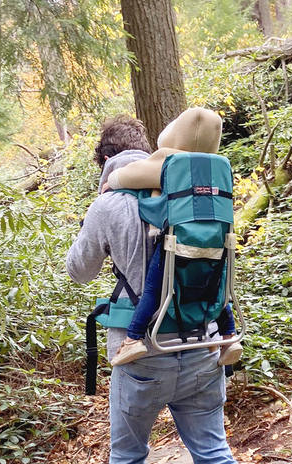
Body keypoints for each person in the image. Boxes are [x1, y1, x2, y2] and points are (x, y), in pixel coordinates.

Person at [66, 113, 274, 464]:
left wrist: (99, 226)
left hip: (141, 356)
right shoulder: (202, 195)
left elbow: (78, 272)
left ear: (105, 158)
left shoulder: (109, 202)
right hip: (203, 347)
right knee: (216, 456)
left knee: (128, 458)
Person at [103, 106, 241, 368]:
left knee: (155, 289)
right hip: (217, 242)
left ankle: (133, 339)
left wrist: (112, 180)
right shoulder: (218, 167)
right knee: (217, 285)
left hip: (177, 240)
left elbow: (129, 176)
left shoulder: (172, 160)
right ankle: (229, 336)